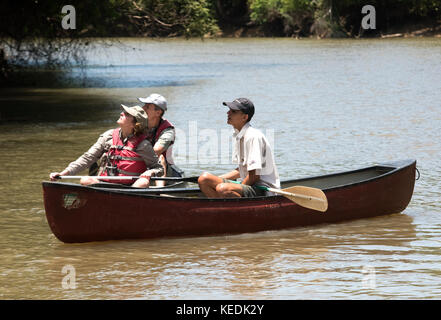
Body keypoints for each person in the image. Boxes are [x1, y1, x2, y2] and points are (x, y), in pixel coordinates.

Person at [50, 105, 163, 188]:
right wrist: (63, 173)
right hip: (105, 184)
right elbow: (87, 158)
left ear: (135, 124)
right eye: (123, 112)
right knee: (85, 180)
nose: (121, 113)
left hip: (131, 187)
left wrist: (150, 172)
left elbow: (158, 168)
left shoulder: (143, 144)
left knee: (143, 183)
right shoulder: (108, 136)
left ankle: (128, 205)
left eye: (127, 114)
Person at [198, 98, 280, 198]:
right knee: (204, 179)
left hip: (262, 189)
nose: (228, 113)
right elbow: (240, 170)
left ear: (245, 117)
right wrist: (216, 178)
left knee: (223, 188)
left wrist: (232, 187)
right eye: (229, 110)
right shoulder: (239, 135)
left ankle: (228, 207)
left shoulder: (253, 136)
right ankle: (221, 208)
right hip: (250, 184)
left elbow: (254, 176)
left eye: (233, 111)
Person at [138, 93, 176, 186]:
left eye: (147, 107)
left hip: (163, 168)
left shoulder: (168, 130)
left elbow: (156, 151)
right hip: (140, 162)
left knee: (160, 157)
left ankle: (160, 190)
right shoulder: (137, 124)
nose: (142, 108)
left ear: (158, 112)